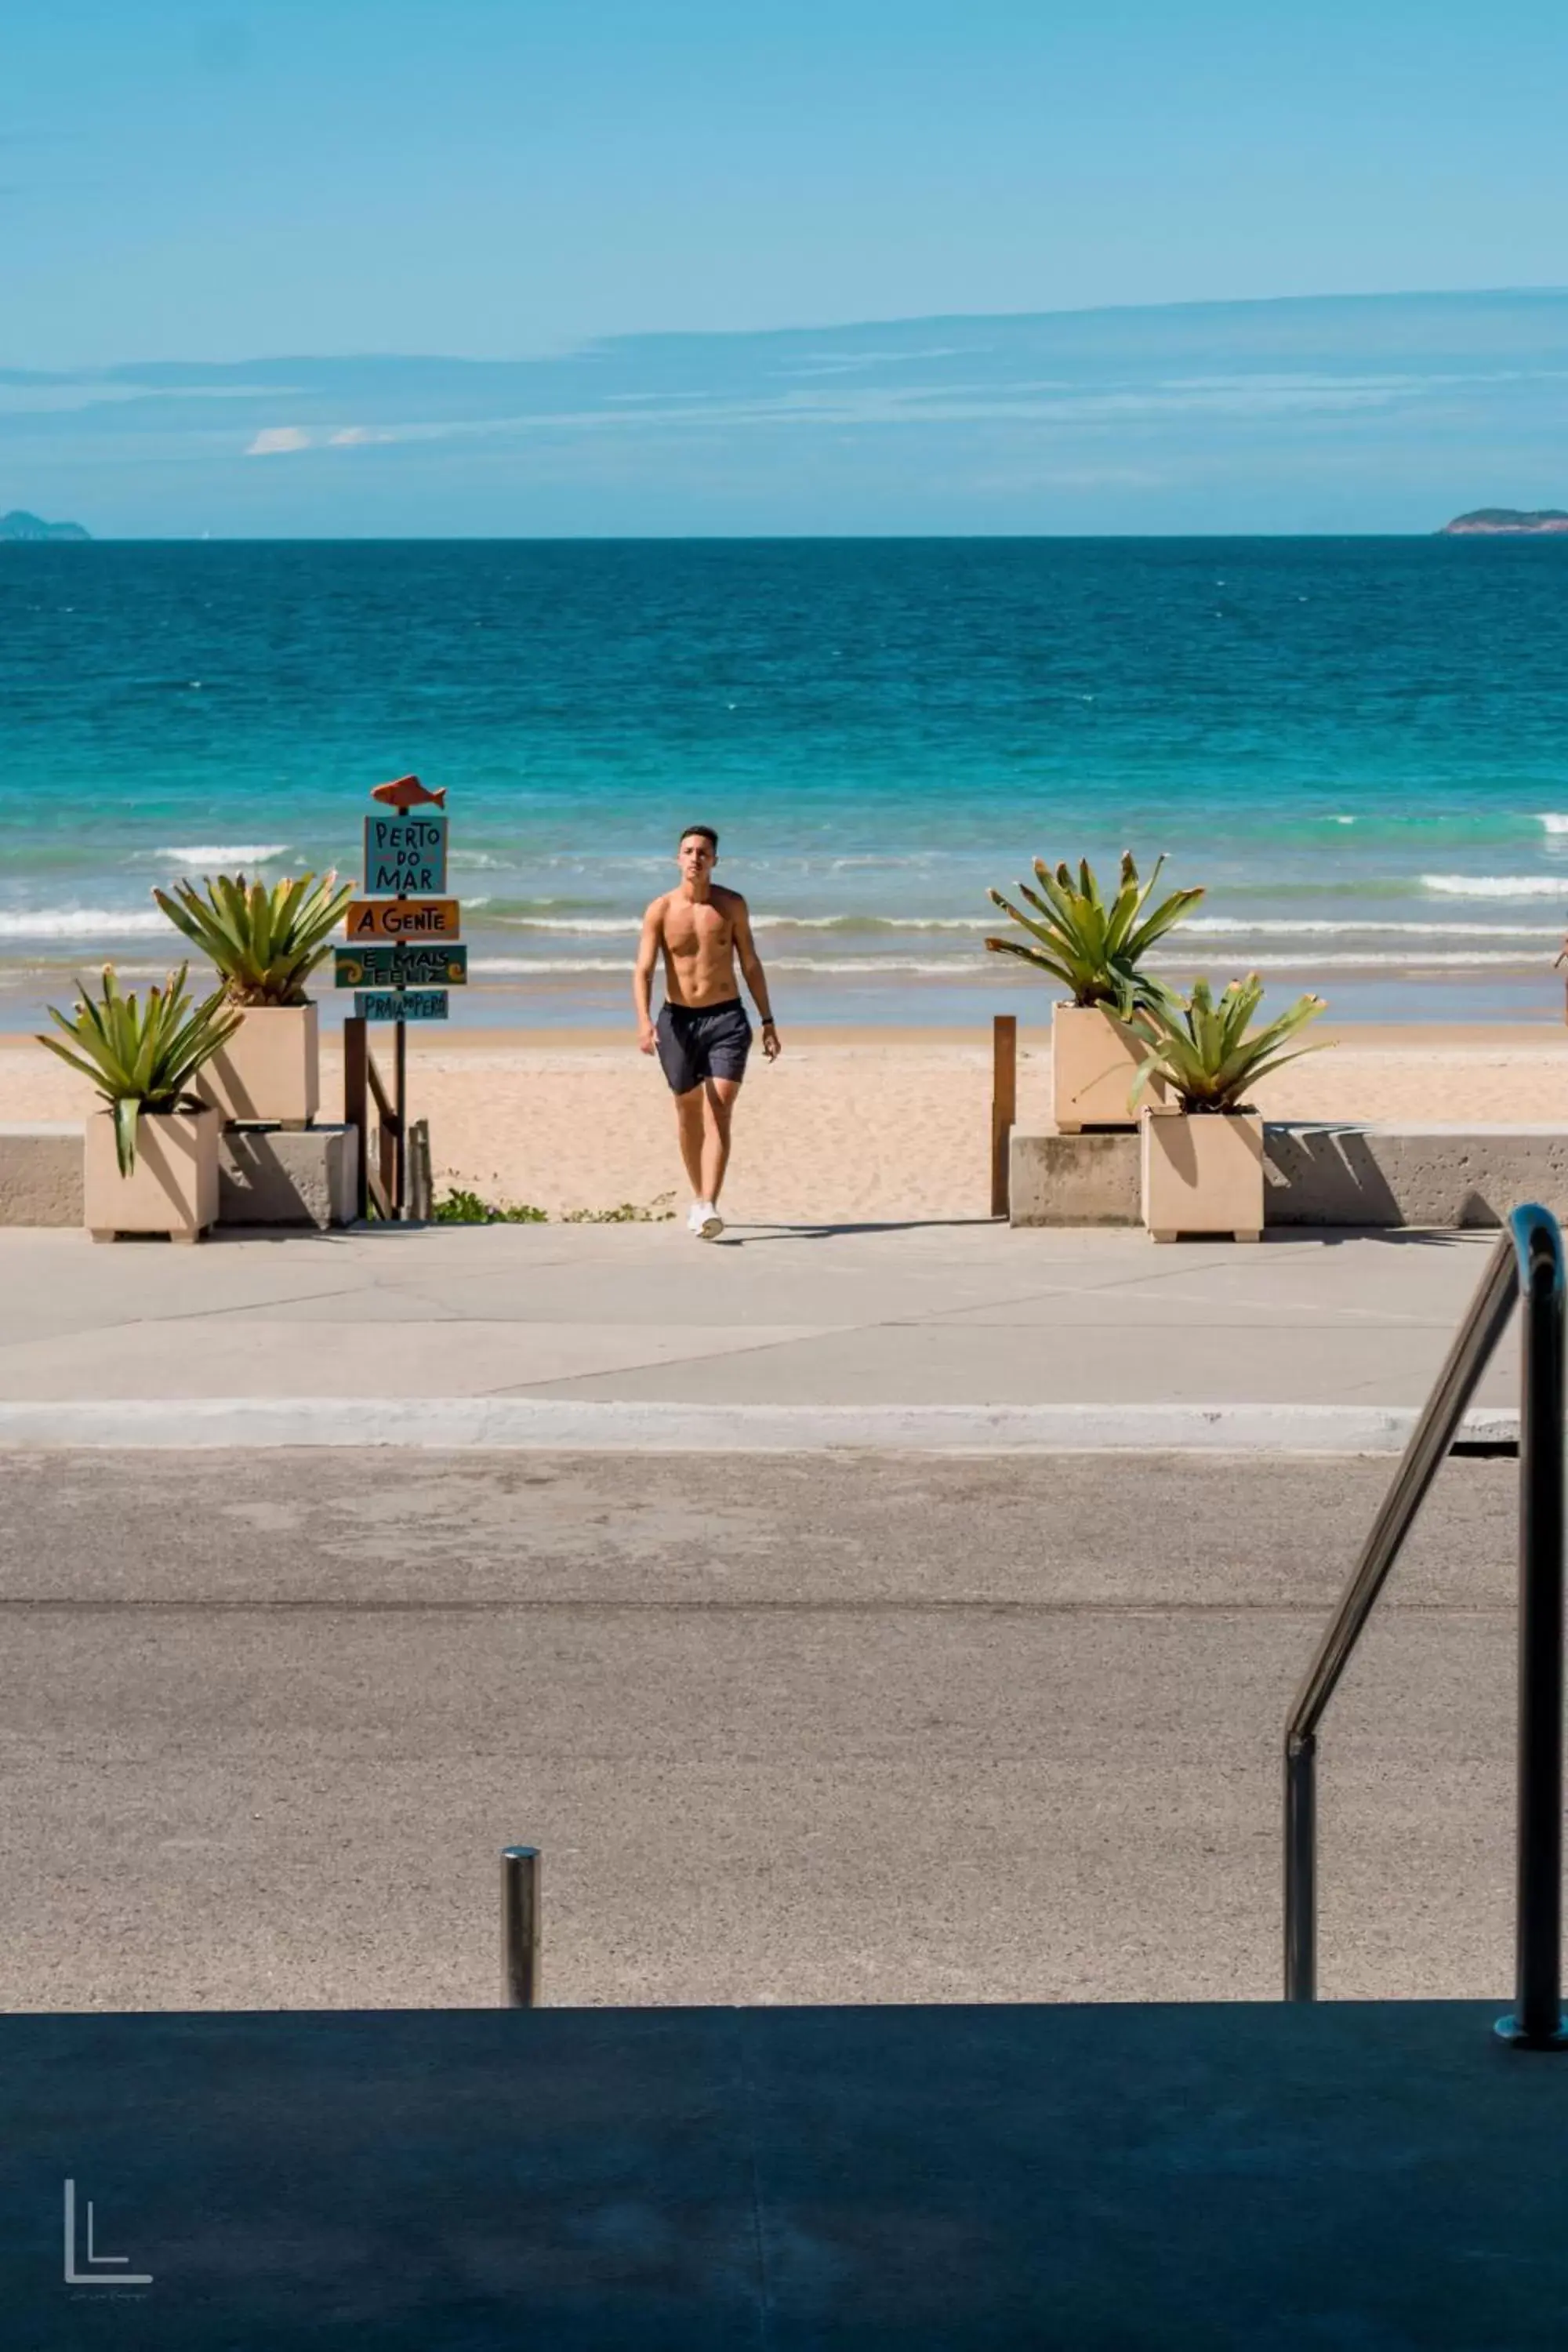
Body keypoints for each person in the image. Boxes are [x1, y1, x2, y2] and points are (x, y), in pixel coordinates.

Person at [633, 825, 782, 1238]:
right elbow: (643, 969)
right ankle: (698, 1196)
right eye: (688, 851)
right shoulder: (660, 910)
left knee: (720, 1105)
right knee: (687, 1110)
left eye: (703, 852)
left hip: (726, 1019)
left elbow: (750, 962)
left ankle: (708, 1204)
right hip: (677, 1021)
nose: (696, 857)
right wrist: (644, 1022)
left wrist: (768, 1020)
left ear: (715, 860)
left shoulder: (731, 906)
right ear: (677, 859)